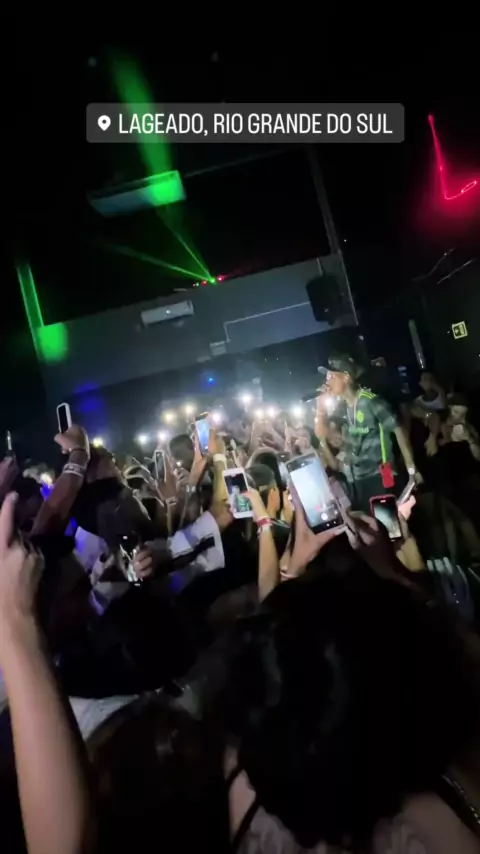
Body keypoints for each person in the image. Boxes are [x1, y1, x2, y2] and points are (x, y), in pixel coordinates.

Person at [316, 355, 421, 513]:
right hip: (357, 478)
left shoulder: (370, 401)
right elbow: (322, 434)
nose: (327, 382)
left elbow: (399, 430)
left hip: (381, 474)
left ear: (346, 377)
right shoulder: (342, 407)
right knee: (370, 524)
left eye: (331, 376)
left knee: (386, 522)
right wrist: (320, 408)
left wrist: (411, 470)